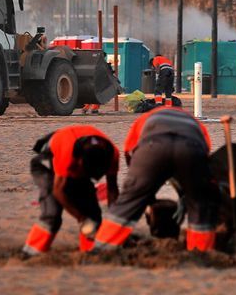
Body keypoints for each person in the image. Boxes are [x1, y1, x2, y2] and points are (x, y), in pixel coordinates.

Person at [92, 105, 220, 252]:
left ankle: (102, 249)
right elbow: (204, 157)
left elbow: (129, 152)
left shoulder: (145, 119)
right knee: (200, 204)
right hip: (191, 149)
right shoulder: (196, 123)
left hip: (152, 148)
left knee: (126, 205)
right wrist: (187, 193)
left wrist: (140, 187)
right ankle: (201, 251)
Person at [23, 125, 120, 255]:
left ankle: (91, 253)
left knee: (93, 213)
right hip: (47, 164)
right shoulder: (68, 154)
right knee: (52, 213)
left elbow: (112, 189)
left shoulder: (112, 154)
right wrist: (81, 218)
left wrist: (115, 220)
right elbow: (58, 191)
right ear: (80, 162)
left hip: (73, 163)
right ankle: (31, 253)